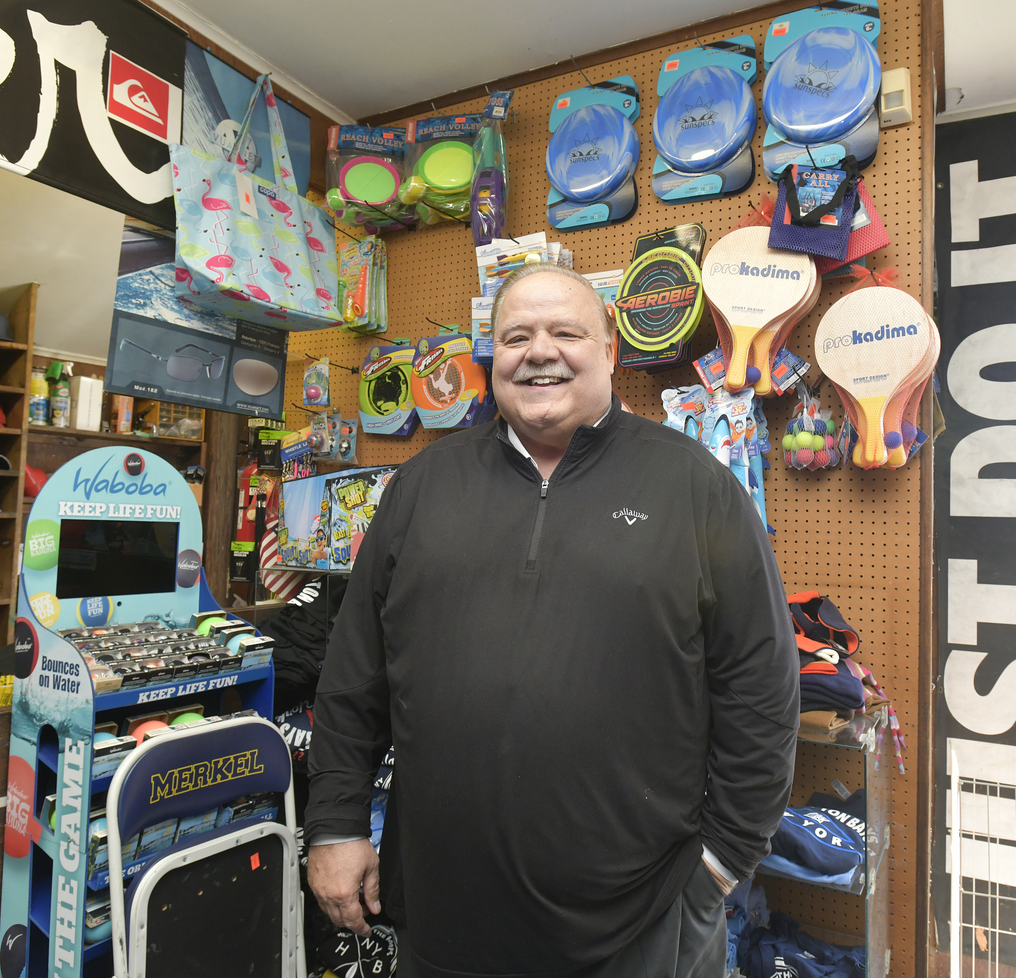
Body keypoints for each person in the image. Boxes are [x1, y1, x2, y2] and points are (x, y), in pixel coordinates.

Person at [306, 263, 799, 978]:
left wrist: (718, 867)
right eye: (516, 337)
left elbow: (761, 691)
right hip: (447, 918)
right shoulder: (421, 487)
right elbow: (354, 677)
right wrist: (337, 824)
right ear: (493, 359)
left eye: (566, 331)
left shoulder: (696, 487)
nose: (540, 352)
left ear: (610, 352)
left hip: (640, 921)